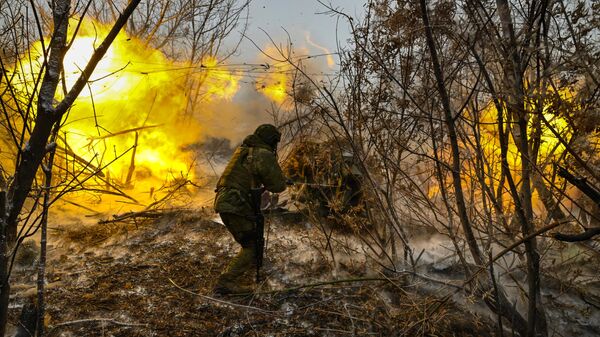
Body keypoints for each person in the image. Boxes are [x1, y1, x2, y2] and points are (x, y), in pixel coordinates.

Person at [213, 124, 287, 294]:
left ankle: (249, 266)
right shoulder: (263, 154)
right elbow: (278, 186)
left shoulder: (244, 151)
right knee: (252, 245)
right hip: (235, 203)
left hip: (226, 201)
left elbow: (250, 175)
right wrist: (281, 179)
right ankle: (226, 282)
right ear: (271, 141)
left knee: (251, 238)